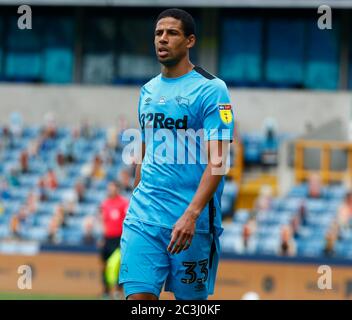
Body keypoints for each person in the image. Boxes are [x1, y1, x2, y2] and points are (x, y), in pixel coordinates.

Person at [119, 8, 234, 300]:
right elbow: (144, 151)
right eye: (158, 33)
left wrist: (192, 215)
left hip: (191, 224)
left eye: (172, 33)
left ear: (190, 41)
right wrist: (136, 194)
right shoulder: (147, 91)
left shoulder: (212, 90)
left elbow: (218, 162)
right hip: (143, 219)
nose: (163, 39)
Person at [100, 181, 128, 300]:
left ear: (117, 189)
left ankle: (117, 291)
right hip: (107, 238)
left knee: (118, 265)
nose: (110, 190)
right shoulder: (105, 204)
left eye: (112, 188)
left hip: (118, 239)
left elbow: (126, 220)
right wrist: (102, 237)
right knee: (105, 265)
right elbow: (104, 222)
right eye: (109, 188)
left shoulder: (123, 203)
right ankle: (106, 291)